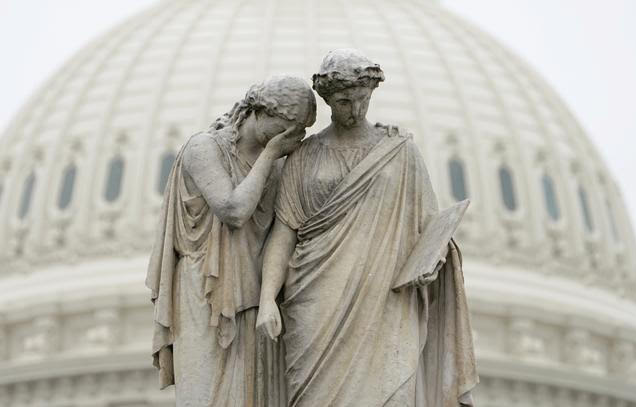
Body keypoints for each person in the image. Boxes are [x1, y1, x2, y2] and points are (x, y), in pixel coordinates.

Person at [256, 49, 478, 406]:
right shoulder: (304, 156)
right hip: (316, 302)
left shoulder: (399, 151)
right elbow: (284, 233)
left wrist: (431, 261)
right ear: (328, 100)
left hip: (385, 300)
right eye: (344, 101)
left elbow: (429, 229)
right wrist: (268, 299)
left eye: (362, 100)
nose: (354, 110)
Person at [146, 75, 316, 406]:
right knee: (207, 395)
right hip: (205, 291)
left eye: (298, 130)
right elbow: (233, 210)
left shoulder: (281, 164)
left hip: (254, 293)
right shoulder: (204, 148)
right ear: (260, 112)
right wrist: (271, 154)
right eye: (286, 126)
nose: (291, 137)